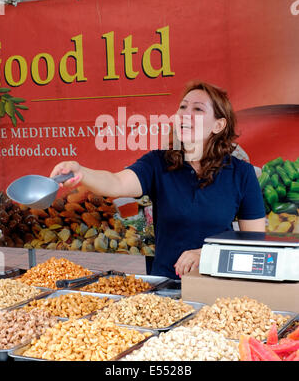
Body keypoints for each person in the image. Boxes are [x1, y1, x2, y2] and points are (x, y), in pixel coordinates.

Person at [50, 80, 266, 280]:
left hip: (218, 288)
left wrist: (208, 254)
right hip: (165, 287)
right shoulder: (159, 163)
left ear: (218, 126)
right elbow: (116, 183)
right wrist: (82, 172)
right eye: (182, 107)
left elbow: (253, 242)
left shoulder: (241, 173)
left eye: (197, 109)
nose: (185, 114)